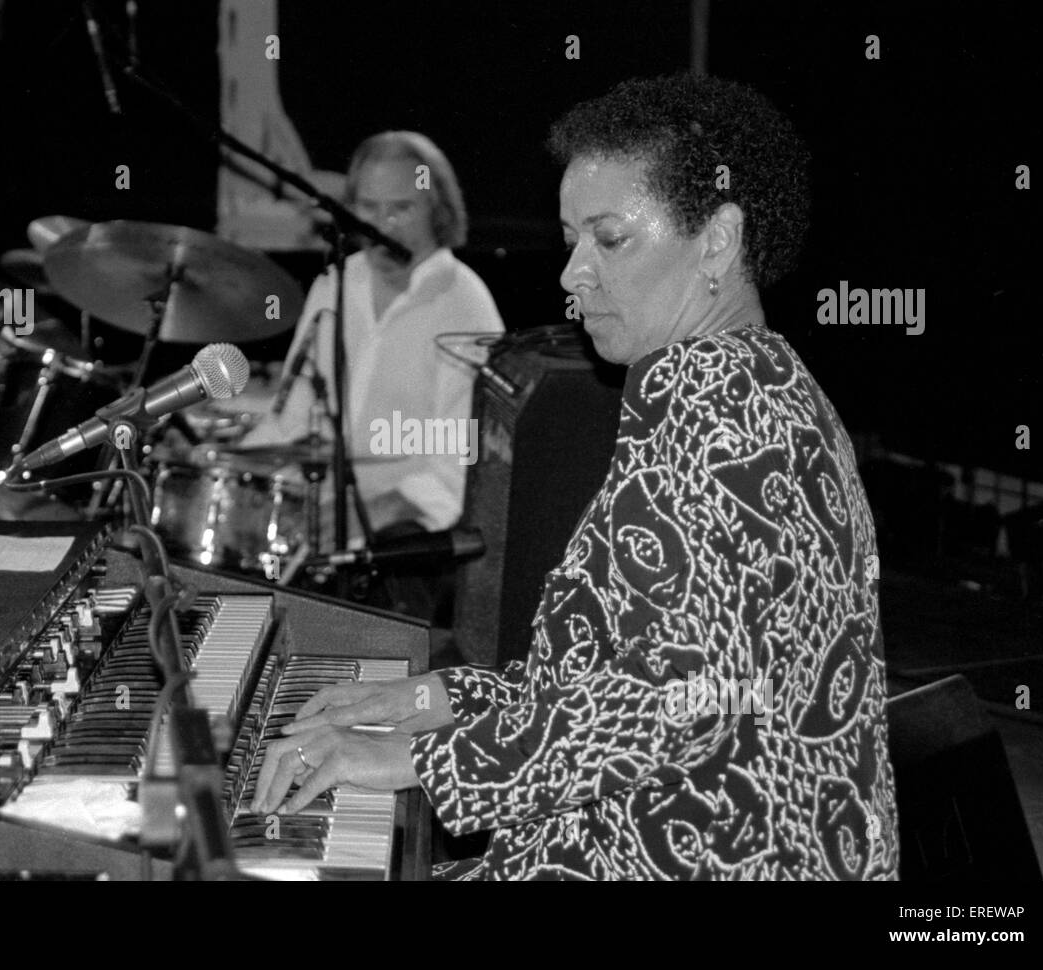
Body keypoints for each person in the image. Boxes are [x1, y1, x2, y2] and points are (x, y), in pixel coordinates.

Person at [249, 75, 900, 881]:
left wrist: (423, 762)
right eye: (570, 239)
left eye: (610, 238)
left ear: (719, 241)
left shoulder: (718, 403)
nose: (571, 274)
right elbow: (608, 676)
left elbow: (677, 702)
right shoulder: (751, 381)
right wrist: (431, 702)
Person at [240, 131, 505, 547]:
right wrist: (228, 465)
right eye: (369, 208)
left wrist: (369, 516)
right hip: (314, 524)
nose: (383, 225)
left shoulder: (464, 306)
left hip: (404, 547)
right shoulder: (334, 284)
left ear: (437, 209)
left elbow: (462, 462)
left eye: (402, 208)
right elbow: (293, 419)